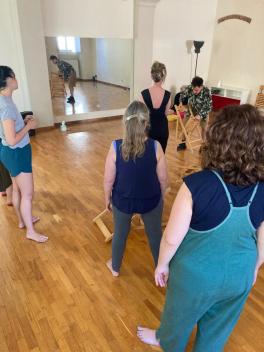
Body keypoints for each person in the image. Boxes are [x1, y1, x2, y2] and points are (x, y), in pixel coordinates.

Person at [137, 104, 264, 351]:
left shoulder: (195, 185)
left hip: (195, 277)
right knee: (219, 327)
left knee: (179, 316)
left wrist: (162, 264)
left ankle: (165, 340)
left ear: (216, 140)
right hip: (241, 274)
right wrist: (255, 266)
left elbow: (172, 239)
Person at [104, 100, 168, 277]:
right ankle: (161, 269)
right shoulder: (156, 146)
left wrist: (106, 198)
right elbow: (163, 179)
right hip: (151, 200)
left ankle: (115, 267)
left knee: (120, 234)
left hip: (122, 201)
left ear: (125, 122)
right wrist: (161, 197)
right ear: (146, 123)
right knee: (155, 236)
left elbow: (108, 180)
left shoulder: (115, 146)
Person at [0, 66, 48, 243]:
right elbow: (12, 139)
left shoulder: (5, 100)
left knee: (17, 189)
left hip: (12, 153)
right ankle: (30, 231)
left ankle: (22, 221)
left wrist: (23, 123)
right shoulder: (5, 106)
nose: (16, 77)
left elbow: (9, 131)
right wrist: (29, 127)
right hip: (16, 153)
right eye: (13, 75)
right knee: (28, 193)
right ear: (8, 80)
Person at [141, 62, 172, 153]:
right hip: (162, 130)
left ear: (152, 76)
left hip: (148, 131)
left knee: (148, 156)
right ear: (163, 76)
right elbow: (166, 113)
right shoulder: (168, 95)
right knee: (160, 156)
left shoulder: (144, 94)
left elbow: (143, 115)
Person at [177, 76, 212, 150]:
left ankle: (203, 145)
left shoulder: (207, 92)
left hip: (203, 111)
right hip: (191, 109)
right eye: (193, 89)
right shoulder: (190, 88)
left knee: (204, 129)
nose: (194, 92)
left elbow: (208, 107)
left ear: (201, 86)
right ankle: (183, 143)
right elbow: (182, 94)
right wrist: (180, 103)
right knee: (185, 125)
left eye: (196, 90)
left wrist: (200, 115)